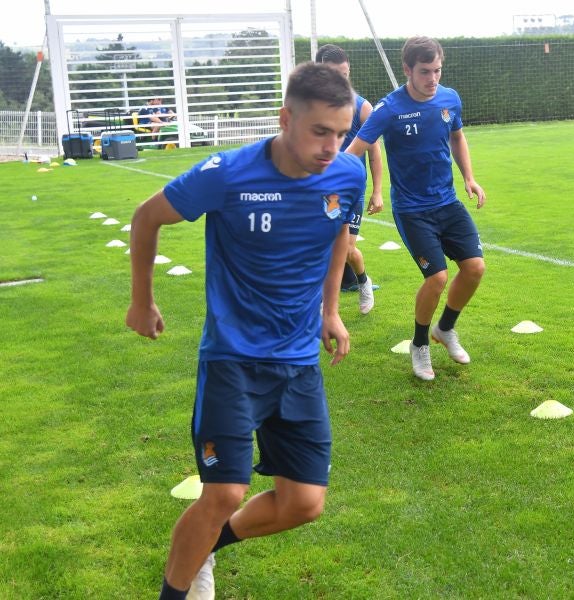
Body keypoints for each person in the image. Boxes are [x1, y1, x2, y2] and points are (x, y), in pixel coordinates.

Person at [125, 62, 365, 600]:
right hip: (233, 358)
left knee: (305, 503)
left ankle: (208, 547)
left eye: (342, 133)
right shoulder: (228, 173)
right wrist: (142, 301)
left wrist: (332, 310)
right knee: (224, 492)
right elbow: (146, 218)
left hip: (299, 361)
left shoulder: (348, 174)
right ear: (286, 119)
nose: (332, 146)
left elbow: (337, 239)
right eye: (320, 131)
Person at [346, 36, 486, 381]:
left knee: (475, 268)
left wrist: (469, 177)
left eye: (437, 70)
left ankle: (445, 329)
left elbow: (457, 136)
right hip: (412, 210)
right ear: (407, 69)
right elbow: (354, 150)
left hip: (448, 202)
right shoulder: (388, 109)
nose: (433, 78)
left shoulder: (450, 98)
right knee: (437, 276)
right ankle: (420, 344)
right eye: (425, 71)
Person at [315, 43, 384, 314]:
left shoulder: (362, 107)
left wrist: (377, 191)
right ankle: (321, 302)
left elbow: (375, 152)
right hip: (323, 189)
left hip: (351, 189)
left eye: (345, 74)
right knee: (322, 244)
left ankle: (362, 281)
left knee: (345, 248)